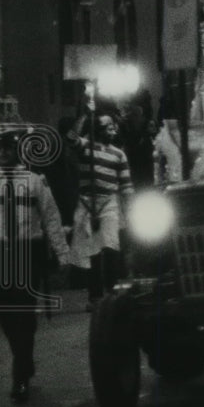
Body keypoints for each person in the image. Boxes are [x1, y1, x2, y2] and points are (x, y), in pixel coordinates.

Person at [0, 127, 71, 402]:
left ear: (16, 151)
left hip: (26, 251)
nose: (3, 153)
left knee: (23, 315)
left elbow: (51, 218)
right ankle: (24, 358)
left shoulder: (34, 181)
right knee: (6, 316)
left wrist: (62, 253)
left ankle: (19, 375)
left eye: (8, 148)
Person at [68, 113, 133, 309]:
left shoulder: (119, 154)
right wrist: (84, 113)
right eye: (107, 126)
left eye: (113, 125)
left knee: (111, 247)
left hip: (109, 204)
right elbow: (71, 138)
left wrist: (130, 209)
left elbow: (126, 186)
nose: (112, 128)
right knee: (93, 252)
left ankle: (112, 292)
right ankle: (95, 296)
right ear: (96, 129)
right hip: (88, 204)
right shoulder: (86, 146)